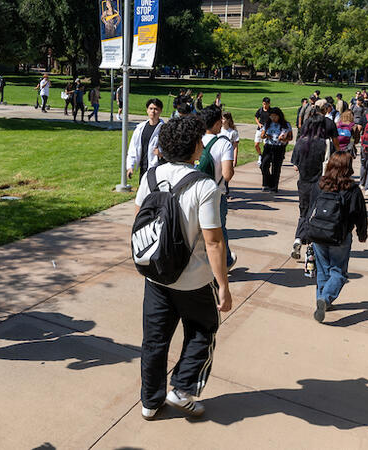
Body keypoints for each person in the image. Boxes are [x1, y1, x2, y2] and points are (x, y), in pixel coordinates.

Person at [135, 116, 233, 421]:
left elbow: (140, 217)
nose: (202, 145)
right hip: (194, 281)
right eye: (199, 140)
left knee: (154, 340)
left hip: (156, 274)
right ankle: (182, 386)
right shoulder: (203, 186)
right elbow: (214, 241)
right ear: (193, 147)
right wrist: (225, 287)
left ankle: (150, 402)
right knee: (204, 330)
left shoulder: (150, 177)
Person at [310, 151, 368, 322]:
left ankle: (322, 300)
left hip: (318, 234)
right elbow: (360, 214)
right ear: (348, 168)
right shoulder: (352, 189)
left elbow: (310, 209)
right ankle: (325, 298)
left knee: (322, 269)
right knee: (338, 272)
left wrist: (306, 231)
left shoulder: (320, 184)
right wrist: (362, 233)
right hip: (340, 236)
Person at [198, 107, 237, 268]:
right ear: (215, 123)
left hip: (195, 192)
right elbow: (227, 174)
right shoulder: (223, 144)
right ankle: (224, 261)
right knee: (218, 230)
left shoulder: (195, 140)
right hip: (216, 193)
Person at [291, 117, 330, 259]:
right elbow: (326, 163)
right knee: (314, 216)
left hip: (304, 182)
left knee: (303, 213)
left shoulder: (300, 142)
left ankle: (298, 239)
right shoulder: (324, 143)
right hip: (318, 183)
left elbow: (295, 166)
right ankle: (310, 248)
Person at [126, 98, 166, 180]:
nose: (153, 111)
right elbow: (133, 148)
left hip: (158, 169)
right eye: (151, 108)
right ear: (147, 110)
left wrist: (161, 153)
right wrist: (130, 166)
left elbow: (171, 149)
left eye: (156, 109)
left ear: (160, 111)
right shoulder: (140, 128)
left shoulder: (165, 129)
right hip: (143, 168)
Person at [259, 108, 292, 193]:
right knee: (264, 165)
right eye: (271, 116)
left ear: (279, 116)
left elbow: (290, 137)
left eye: (274, 116)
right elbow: (262, 135)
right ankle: (267, 182)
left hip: (279, 147)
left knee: (276, 168)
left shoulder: (286, 125)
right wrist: (266, 135)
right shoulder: (268, 123)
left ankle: (274, 186)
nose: (273, 118)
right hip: (268, 146)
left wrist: (284, 139)